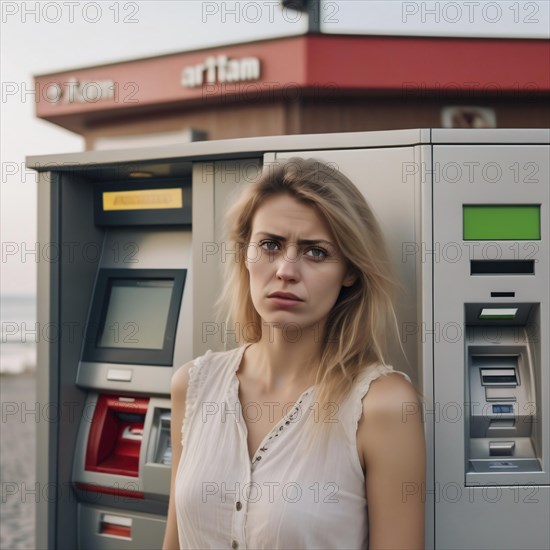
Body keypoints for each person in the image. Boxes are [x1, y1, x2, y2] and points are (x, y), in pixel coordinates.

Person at [162, 158, 425, 549]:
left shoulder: (382, 406)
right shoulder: (194, 384)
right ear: (244, 254)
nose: (286, 269)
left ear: (350, 271)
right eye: (269, 245)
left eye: (315, 252)